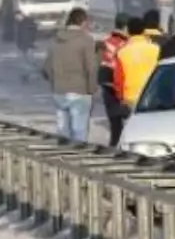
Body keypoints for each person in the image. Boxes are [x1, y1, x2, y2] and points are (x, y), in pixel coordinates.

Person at [41, 8, 99, 142]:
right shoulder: (86, 40)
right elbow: (91, 68)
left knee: (63, 131)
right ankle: (77, 160)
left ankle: (62, 158)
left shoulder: (56, 39)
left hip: (59, 91)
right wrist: (91, 90)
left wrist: (55, 83)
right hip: (80, 91)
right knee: (79, 132)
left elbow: (46, 68)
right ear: (83, 23)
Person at [112, 16, 161, 111]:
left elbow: (118, 80)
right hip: (152, 96)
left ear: (127, 31)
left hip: (130, 98)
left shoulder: (121, 52)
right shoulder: (156, 49)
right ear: (144, 31)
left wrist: (121, 98)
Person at [98, 13, 131, 147]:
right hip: (124, 89)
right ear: (125, 27)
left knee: (115, 128)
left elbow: (101, 66)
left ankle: (113, 151)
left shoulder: (106, 43)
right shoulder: (127, 44)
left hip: (108, 90)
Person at [15, 11, 39, 84]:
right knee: (27, 61)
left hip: (27, 45)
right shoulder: (21, 23)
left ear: (21, 15)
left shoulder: (27, 22)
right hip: (24, 45)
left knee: (29, 61)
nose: (16, 18)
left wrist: (30, 42)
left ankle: (31, 74)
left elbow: (30, 33)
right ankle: (27, 75)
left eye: (17, 16)